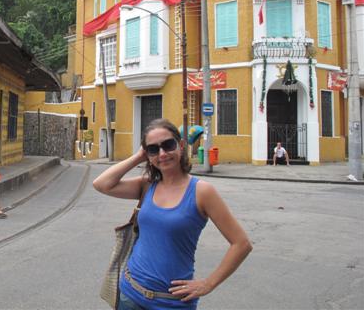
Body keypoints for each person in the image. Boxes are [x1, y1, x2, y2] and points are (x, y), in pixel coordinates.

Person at [93, 119, 252, 310]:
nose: (162, 154)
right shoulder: (147, 185)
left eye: (168, 145)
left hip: (172, 303)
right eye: (153, 149)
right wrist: (138, 156)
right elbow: (101, 184)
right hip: (130, 294)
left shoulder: (202, 192)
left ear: (181, 145)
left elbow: (241, 244)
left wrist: (208, 284)